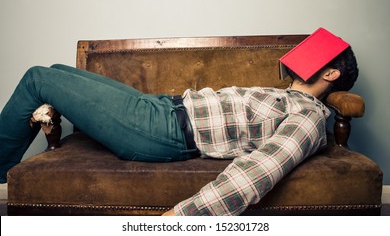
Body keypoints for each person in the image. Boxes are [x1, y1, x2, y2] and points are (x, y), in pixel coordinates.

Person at [0, 33, 358, 216]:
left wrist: (180, 218)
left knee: (37, 78)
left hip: (162, 130)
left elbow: (259, 171)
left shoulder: (309, 117)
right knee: (57, 72)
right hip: (162, 108)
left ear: (330, 72)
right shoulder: (282, 94)